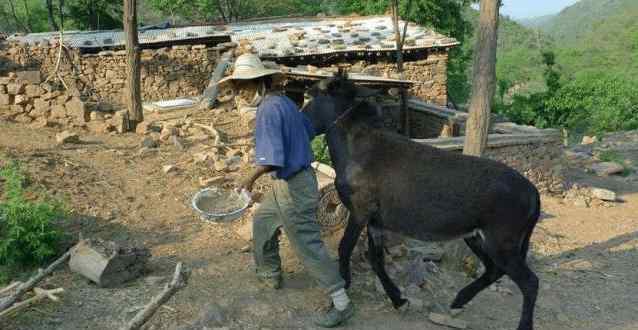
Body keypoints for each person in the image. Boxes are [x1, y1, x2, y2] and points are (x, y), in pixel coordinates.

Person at [219, 53, 354, 328]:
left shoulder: (268, 110)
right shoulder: (285, 103)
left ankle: (342, 302)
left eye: (245, 86)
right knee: (263, 221)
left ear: (261, 83)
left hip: (293, 186)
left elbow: (271, 160)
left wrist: (248, 178)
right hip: (291, 182)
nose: (241, 94)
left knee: (307, 244)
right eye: (238, 87)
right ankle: (269, 273)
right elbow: (308, 131)